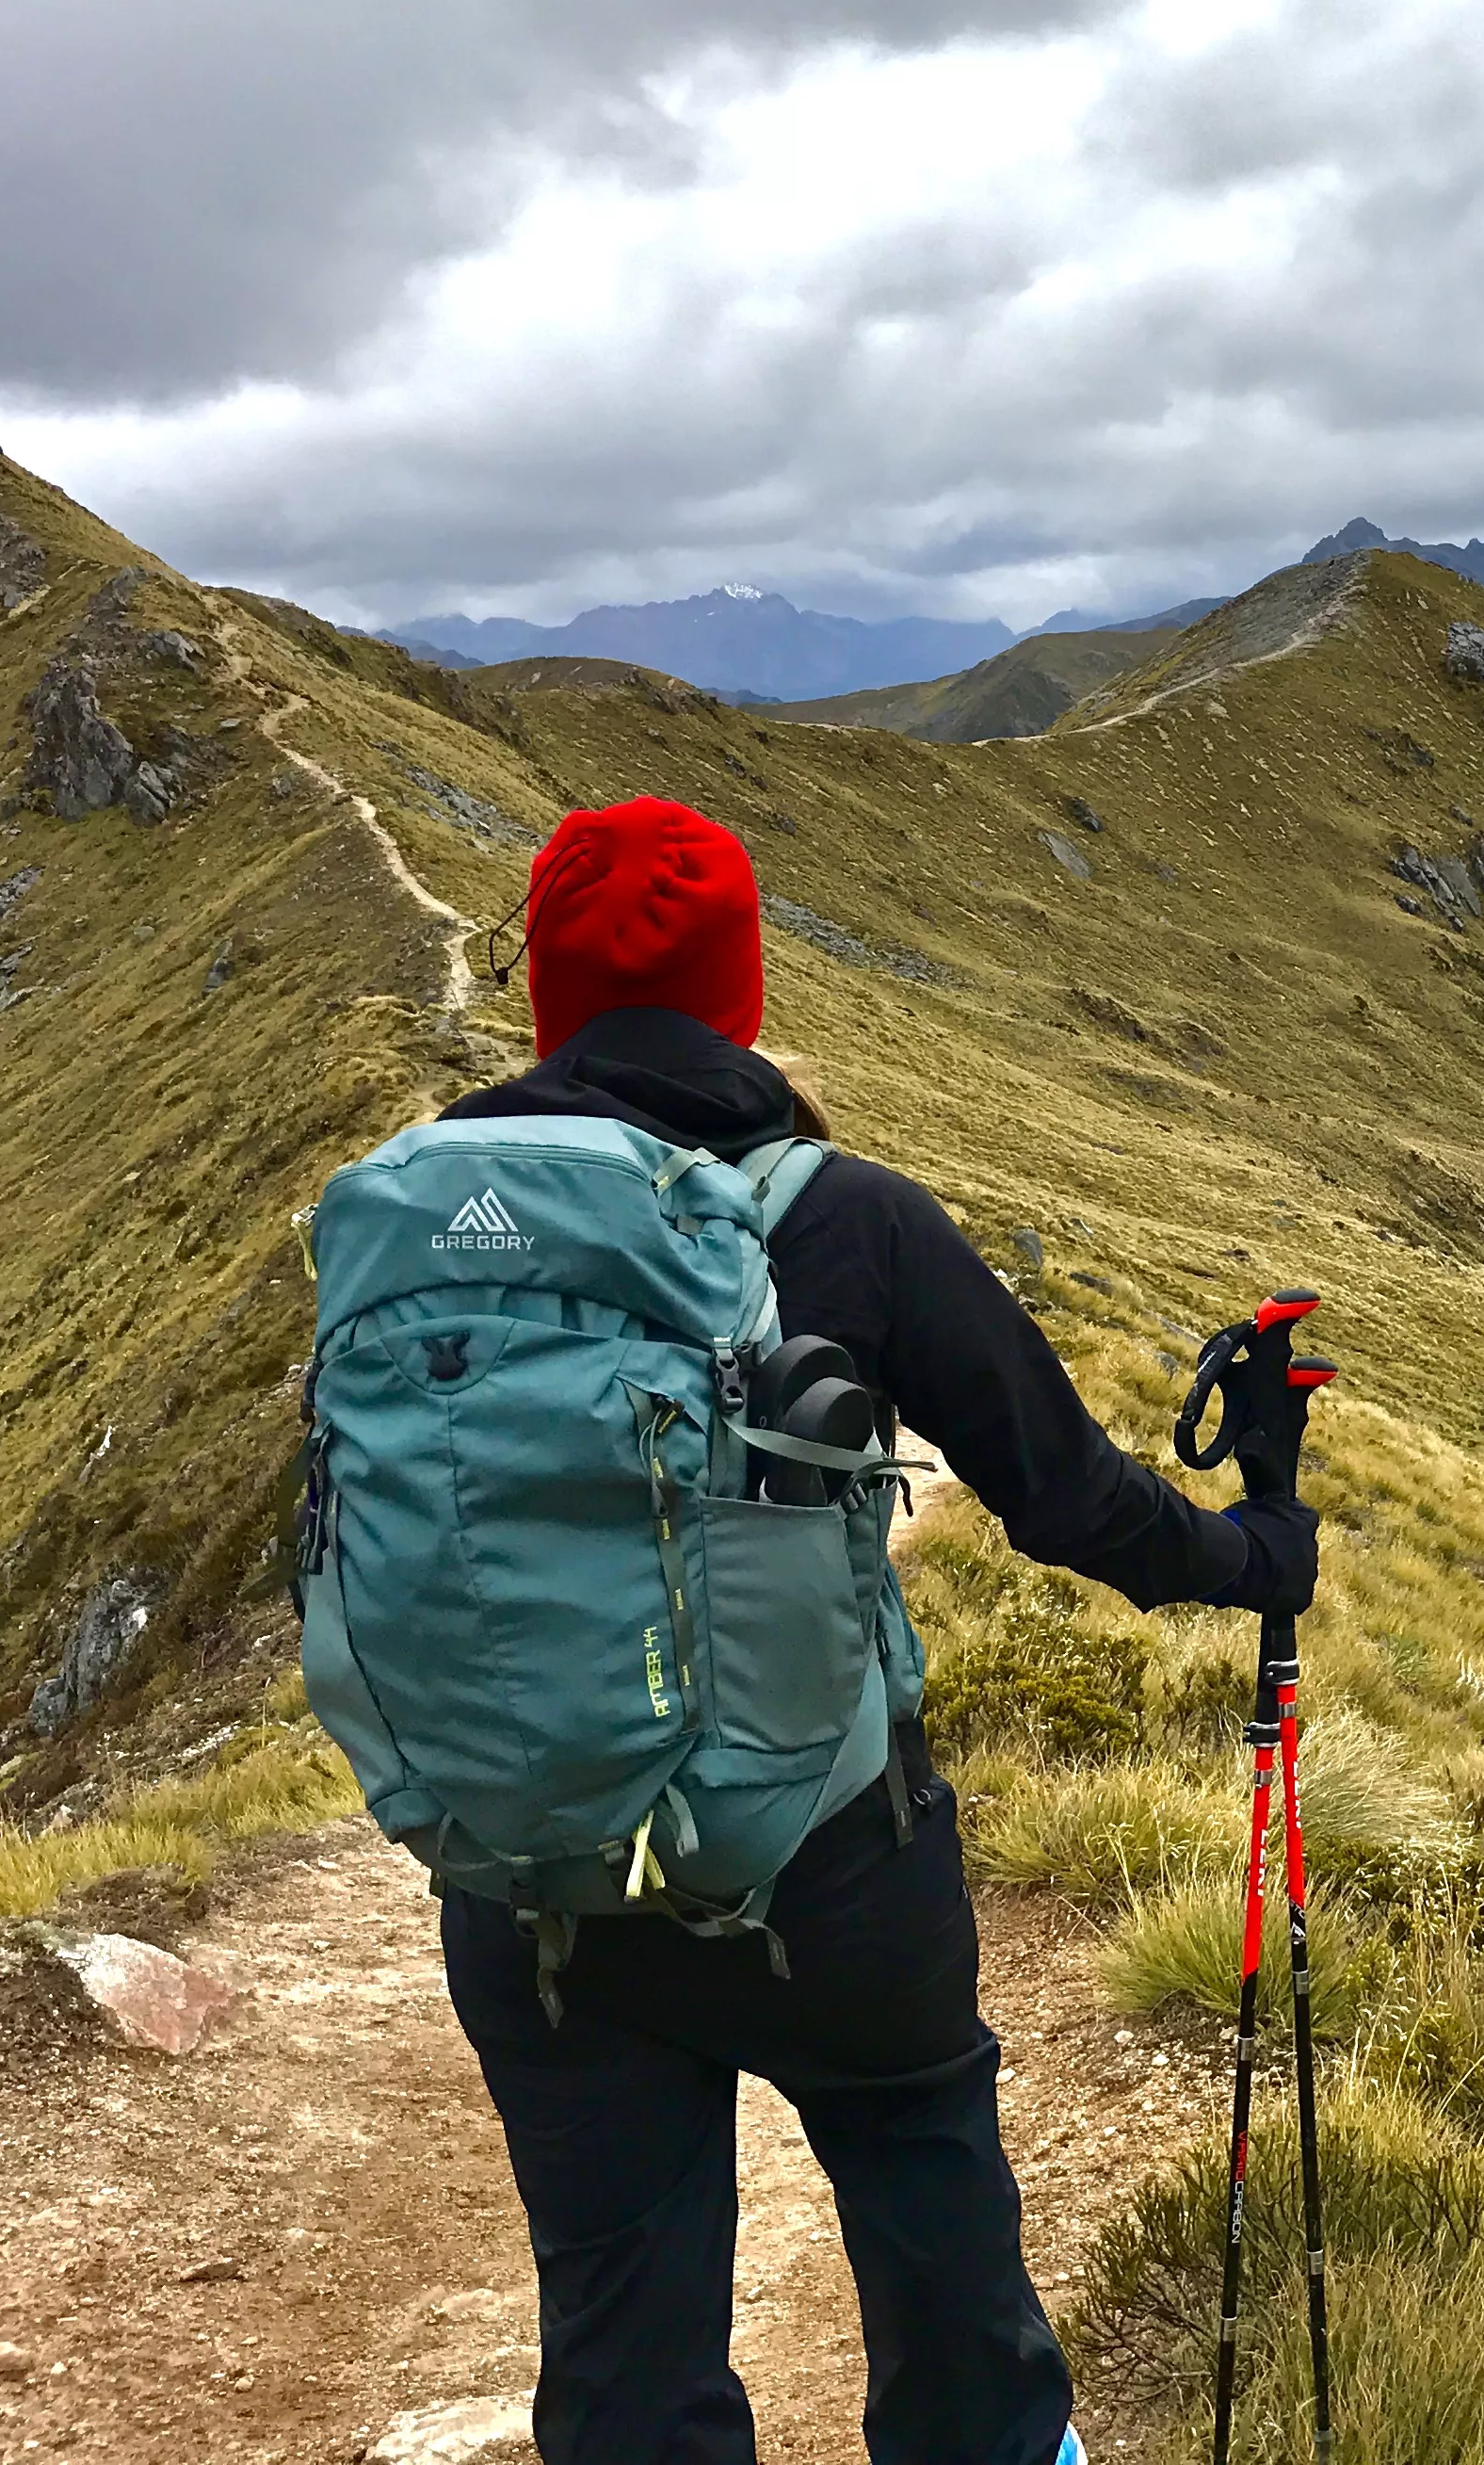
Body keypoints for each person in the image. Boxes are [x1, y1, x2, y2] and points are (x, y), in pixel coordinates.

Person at [431, 793, 1315, 2465]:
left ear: (544, 995)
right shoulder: (851, 1218)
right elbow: (1068, 1503)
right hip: (826, 1872)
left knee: (622, 2354)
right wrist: (1256, 1550)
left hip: (529, 1872)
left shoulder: (418, 1223)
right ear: (744, 992)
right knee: (937, 2243)